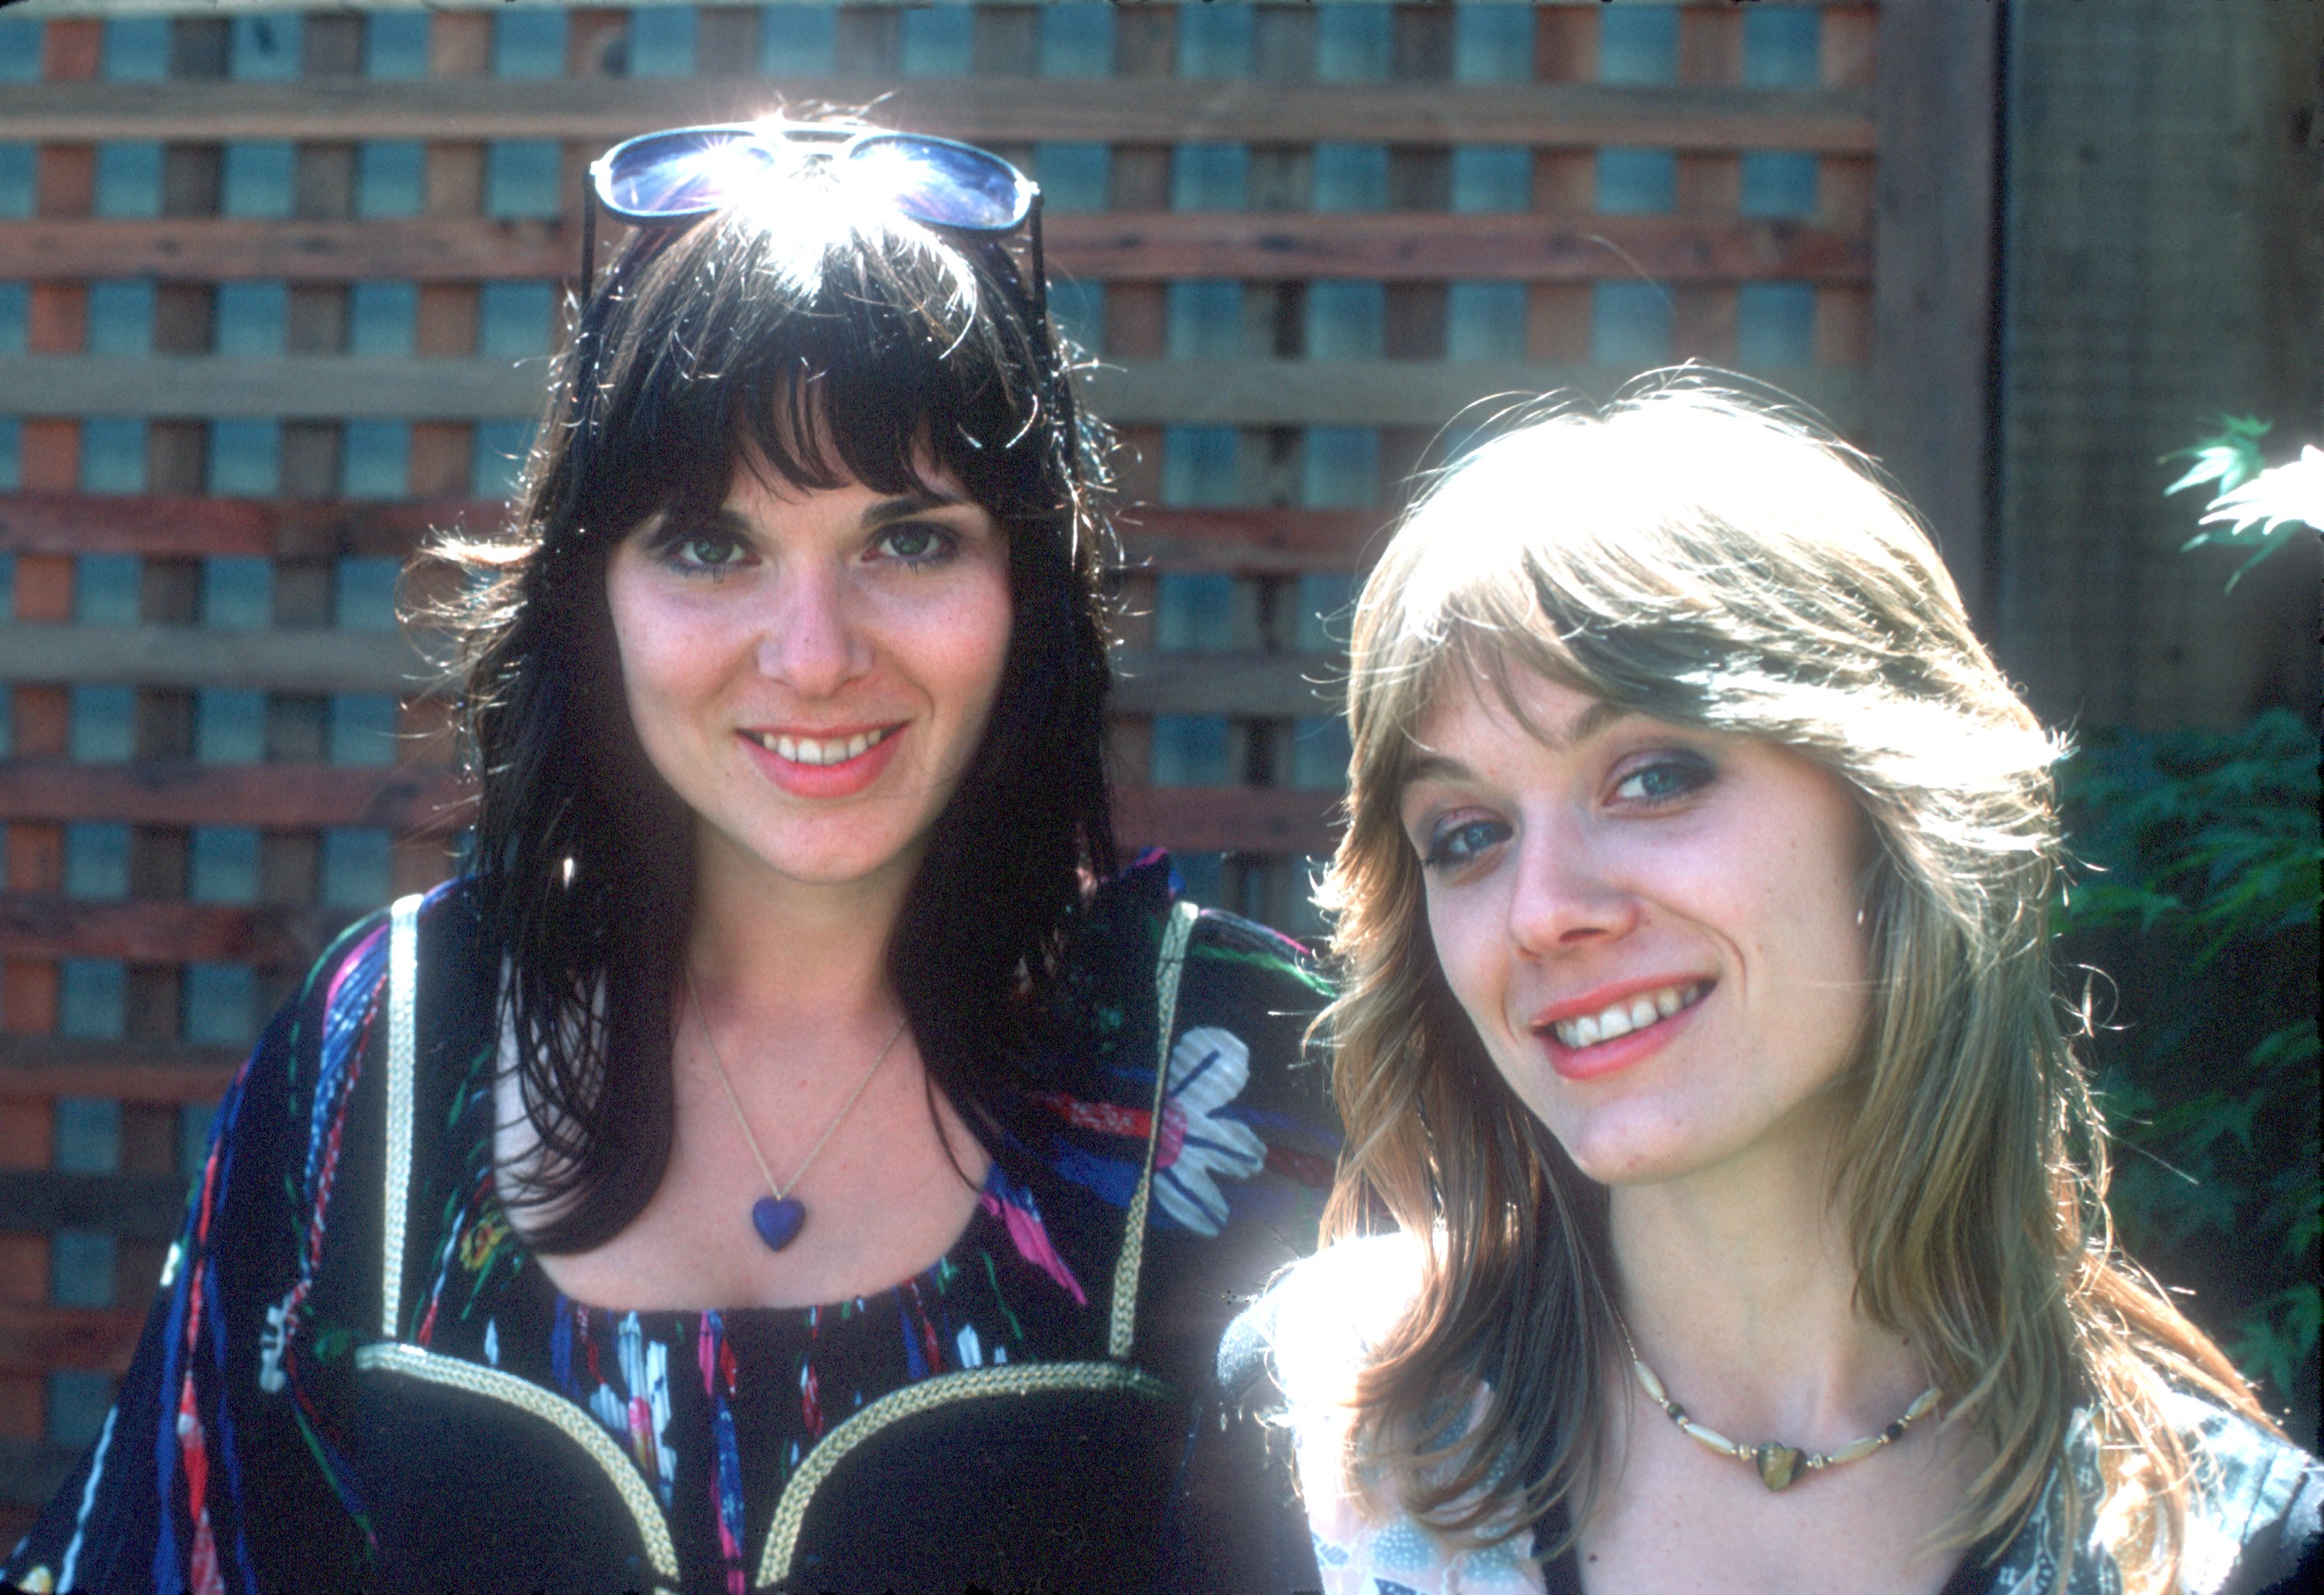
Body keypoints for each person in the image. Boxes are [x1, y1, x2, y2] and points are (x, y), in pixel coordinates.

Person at [3, 115, 1336, 1595]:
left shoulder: (1237, 1058)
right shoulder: (386, 1047)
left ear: (1031, 583)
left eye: (910, 539)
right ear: (592, 591)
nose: (814, 654)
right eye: (710, 544)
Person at [1219, 383, 2319, 1593]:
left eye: (1653, 777)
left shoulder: (2211, 1549)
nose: (1541, 909)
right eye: (1467, 834)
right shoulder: (1321, 1444)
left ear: (1893, 811)